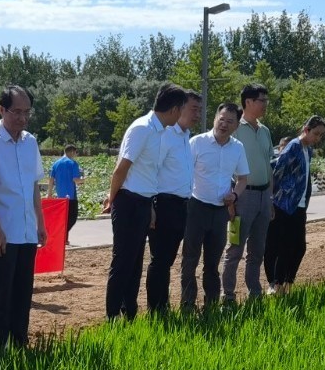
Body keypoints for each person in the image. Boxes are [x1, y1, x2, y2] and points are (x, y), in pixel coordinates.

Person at [102, 84, 187, 320]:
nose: (181, 115)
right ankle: (112, 315)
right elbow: (121, 169)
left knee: (136, 262)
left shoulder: (158, 131)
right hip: (128, 201)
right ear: (174, 109)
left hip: (143, 202)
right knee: (123, 261)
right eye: (181, 109)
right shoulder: (142, 129)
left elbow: (147, 173)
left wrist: (149, 206)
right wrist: (112, 198)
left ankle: (129, 311)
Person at [0, 85, 47, 350]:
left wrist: (40, 222)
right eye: (16, 111)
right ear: (1, 110)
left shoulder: (29, 142)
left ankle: (18, 344)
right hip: (2, 231)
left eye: (26, 112)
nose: (22, 118)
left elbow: (33, 186)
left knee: (22, 292)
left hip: (26, 230)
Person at [181, 103, 250, 311]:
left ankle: (210, 306)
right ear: (214, 119)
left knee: (212, 263)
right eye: (221, 119)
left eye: (230, 121)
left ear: (236, 125)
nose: (224, 124)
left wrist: (235, 195)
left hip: (220, 211)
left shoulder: (237, 148)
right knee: (189, 260)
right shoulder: (196, 143)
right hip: (196, 207)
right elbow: (184, 173)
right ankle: (187, 305)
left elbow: (243, 179)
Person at [145, 89, 200, 314]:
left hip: (180, 206)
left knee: (167, 260)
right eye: (193, 109)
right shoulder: (166, 136)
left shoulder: (185, 137)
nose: (197, 114)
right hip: (164, 204)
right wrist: (151, 206)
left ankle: (162, 306)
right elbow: (151, 170)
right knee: (160, 260)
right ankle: (156, 309)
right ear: (179, 108)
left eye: (200, 109)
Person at [223, 83, 274, 302]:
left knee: (257, 251)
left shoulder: (265, 131)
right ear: (248, 102)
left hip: (264, 197)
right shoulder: (235, 129)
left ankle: (254, 293)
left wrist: (270, 199)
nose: (265, 104)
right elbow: (224, 166)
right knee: (235, 250)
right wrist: (231, 201)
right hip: (242, 197)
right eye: (261, 100)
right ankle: (228, 296)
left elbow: (268, 165)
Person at [266, 116, 325, 294]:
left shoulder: (308, 150)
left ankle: (288, 282)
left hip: (299, 205)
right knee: (285, 246)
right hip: (285, 204)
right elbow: (277, 173)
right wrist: (272, 200)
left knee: (299, 247)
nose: (318, 138)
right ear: (306, 130)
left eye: (321, 135)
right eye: (316, 133)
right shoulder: (293, 147)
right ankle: (277, 286)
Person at [49, 144, 83, 243]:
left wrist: (49, 194)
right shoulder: (73, 163)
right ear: (72, 151)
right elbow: (76, 180)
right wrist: (84, 180)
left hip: (60, 196)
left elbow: (51, 180)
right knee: (72, 218)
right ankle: (61, 235)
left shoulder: (56, 163)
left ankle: (64, 239)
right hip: (71, 196)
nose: (75, 155)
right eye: (76, 153)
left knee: (64, 218)